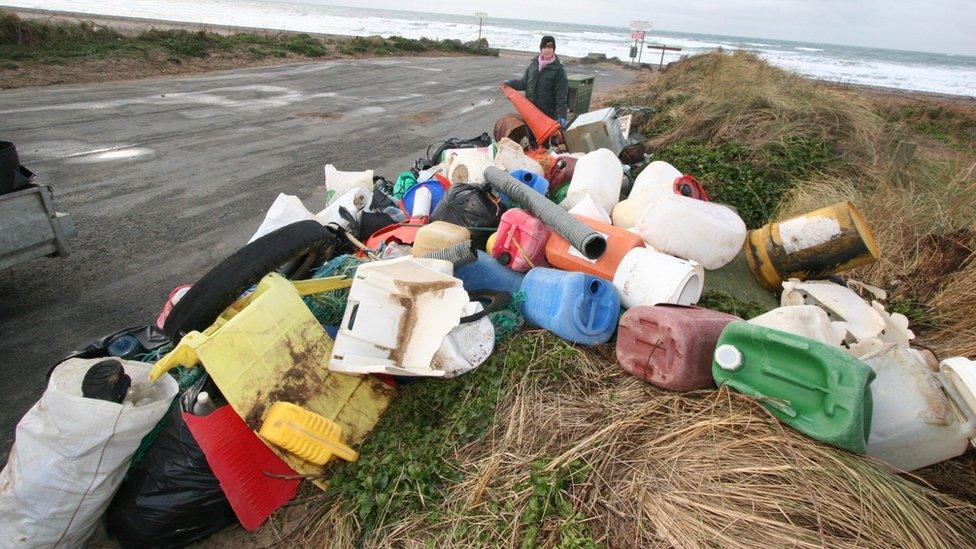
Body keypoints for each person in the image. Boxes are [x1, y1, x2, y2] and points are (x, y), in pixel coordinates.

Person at [504, 35, 569, 131]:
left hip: (547, 114)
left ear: (554, 49)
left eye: (550, 47)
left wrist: (561, 116)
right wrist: (510, 83)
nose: (547, 50)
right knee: (530, 138)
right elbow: (524, 83)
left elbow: (561, 96)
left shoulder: (559, 70)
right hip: (530, 111)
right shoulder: (533, 65)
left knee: (545, 141)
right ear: (541, 49)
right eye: (544, 47)